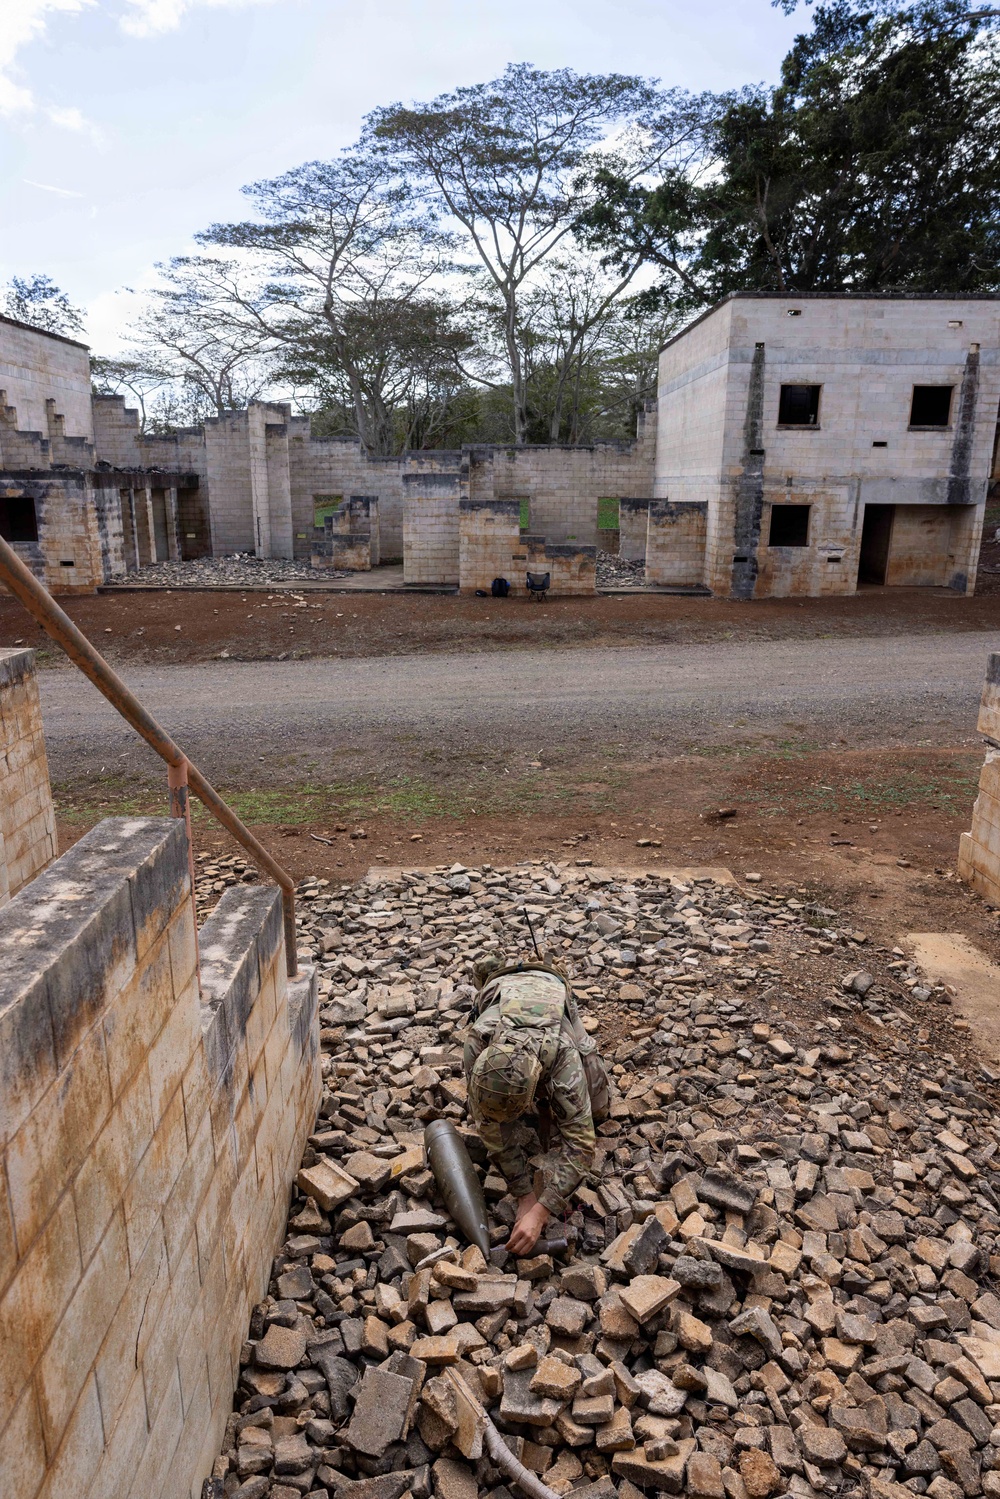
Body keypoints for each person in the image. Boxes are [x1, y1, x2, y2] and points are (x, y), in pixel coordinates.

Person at [464, 950, 609, 1256]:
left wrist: (541, 1212)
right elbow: (488, 1125)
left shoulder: (563, 1061)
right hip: (500, 987)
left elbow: (582, 1145)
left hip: (552, 988)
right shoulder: (478, 1041)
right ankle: (495, 966)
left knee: (598, 1106)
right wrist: (524, 1196)